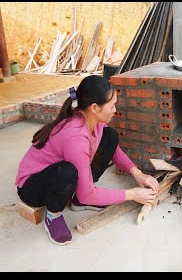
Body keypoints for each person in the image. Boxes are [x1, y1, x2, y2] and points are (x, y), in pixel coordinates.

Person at [15, 75, 160, 246]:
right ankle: (53, 215)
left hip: (57, 174)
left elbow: (114, 150)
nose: (115, 109)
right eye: (112, 105)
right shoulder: (75, 136)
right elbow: (87, 192)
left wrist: (138, 174)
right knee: (67, 172)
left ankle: (78, 201)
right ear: (94, 107)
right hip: (32, 186)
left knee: (110, 136)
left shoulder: (93, 120)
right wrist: (132, 194)